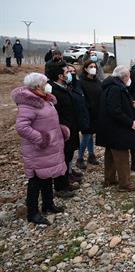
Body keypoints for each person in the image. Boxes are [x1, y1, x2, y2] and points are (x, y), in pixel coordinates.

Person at [11, 73, 67, 225]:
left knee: (47, 176)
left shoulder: (45, 99)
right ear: (37, 86)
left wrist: (59, 130)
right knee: (35, 181)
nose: (48, 85)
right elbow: (22, 127)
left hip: (48, 149)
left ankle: (48, 205)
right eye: (45, 82)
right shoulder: (29, 103)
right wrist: (40, 139)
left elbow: (47, 121)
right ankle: (32, 213)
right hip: (37, 150)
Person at [96, 65, 135, 192]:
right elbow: (115, 110)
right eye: (128, 77)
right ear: (124, 77)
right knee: (122, 155)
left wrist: (130, 103)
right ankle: (125, 183)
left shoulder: (110, 85)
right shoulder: (116, 89)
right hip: (116, 129)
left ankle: (109, 179)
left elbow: (116, 104)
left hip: (109, 128)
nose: (129, 79)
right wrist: (130, 122)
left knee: (110, 154)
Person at [46, 61, 81, 198]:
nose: (70, 74)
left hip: (71, 127)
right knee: (62, 157)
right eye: (67, 72)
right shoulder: (53, 91)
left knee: (68, 155)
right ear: (60, 76)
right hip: (62, 131)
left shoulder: (65, 87)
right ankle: (60, 186)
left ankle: (66, 181)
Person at [76, 60, 103, 169]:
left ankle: (91, 155)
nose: (93, 68)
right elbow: (81, 99)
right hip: (86, 113)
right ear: (85, 69)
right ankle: (80, 158)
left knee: (91, 135)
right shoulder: (81, 82)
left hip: (96, 113)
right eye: (91, 66)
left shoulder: (97, 81)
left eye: (94, 66)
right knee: (86, 135)